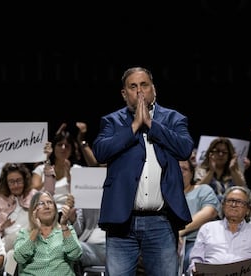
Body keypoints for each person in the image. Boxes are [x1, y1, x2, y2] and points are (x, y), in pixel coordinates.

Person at [92, 66, 194, 276]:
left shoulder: (174, 119)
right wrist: (135, 125)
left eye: (144, 85)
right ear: (124, 93)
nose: (139, 91)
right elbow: (101, 152)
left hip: (161, 221)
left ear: (153, 89)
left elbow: (184, 148)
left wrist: (150, 124)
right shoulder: (112, 121)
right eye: (133, 86)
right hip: (122, 222)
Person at [188, 186, 251, 276]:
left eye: (239, 202)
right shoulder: (207, 229)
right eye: (230, 201)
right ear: (223, 206)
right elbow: (195, 260)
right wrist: (194, 269)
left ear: (248, 210)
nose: (233, 205)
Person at [14, 190, 82, 275]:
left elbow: (76, 255)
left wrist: (64, 226)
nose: (47, 206)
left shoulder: (67, 230)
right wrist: (35, 231)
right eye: (41, 203)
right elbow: (19, 258)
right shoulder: (24, 233)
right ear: (33, 210)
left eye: (50, 202)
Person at [179, 158, 221, 275]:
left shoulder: (202, 190)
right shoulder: (162, 194)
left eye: (184, 169)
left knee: (192, 259)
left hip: (197, 241)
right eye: (176, 168)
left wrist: (179, 232)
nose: (180, 172)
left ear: (192, 173)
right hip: (167, 241)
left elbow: (210, 212)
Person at [32, 125, 79, 224]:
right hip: (44, 211)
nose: (63, 148)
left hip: (67, 213)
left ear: (71, 150)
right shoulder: (41, 169)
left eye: (67, 146)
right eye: (60, 144)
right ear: (53, 148)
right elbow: (33, 191)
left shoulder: (77, 170)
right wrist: (49, 177)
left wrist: (70, 178)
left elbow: (79, 195)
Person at [0, 162, 37, 252]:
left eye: (19, 181)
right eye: (11, 182)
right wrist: (1, 226)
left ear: (24, 180)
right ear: (6, 183)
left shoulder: (34, 194)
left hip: (31, 237)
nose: (16, 185)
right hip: (8, 240)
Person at [194, 137, 246, 201]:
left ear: (229, 155)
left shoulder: (236, 171)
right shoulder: (201, 170)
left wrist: (233, 170)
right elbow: (197, 192)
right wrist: (211, 171)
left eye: (224, 152)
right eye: (217, 151)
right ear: (210, 153)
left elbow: (244, 192)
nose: (220, 154)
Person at [73, 208, 106, 275]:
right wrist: (73, 219)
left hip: (113, 247)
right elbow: (77, 231)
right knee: (70, 246)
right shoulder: (86, 201)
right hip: (88, 248)